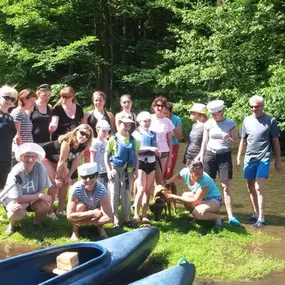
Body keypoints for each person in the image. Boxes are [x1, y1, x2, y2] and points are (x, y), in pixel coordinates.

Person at [237, 95, 282, 227]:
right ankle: (255, 213)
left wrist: (278, 160)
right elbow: (243, 140)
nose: (253, 109)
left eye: (256, 107)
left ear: (262, 106)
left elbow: (275, 141)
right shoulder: (246, 120)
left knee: (258, 186)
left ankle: (261, 218)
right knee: (250, 186)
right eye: (251, 107)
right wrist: (239, 157)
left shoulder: (270, 120)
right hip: (249, 158)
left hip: (264, 157)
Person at [197, 100, 240, 226]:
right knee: (207, 184)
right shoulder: (209, 123)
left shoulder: (230, 123)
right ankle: (205, 210)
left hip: (224, 155)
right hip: (210, 155)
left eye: (215, 114)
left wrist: (230, 139)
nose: (213, 116)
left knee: (226, 186)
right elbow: (204, 141)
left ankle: (231, 216)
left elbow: (237, 142)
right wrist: (201, 155)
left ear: (222, 111)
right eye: (212, 114)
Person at [43, 124, 93, 219]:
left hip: (57, 160)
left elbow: (76, 161)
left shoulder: (83, 145)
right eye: (82, 133)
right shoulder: (67, 142)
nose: (84, 137)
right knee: (54, 183)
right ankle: (49, 212)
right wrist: (57, 178)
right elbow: (62, 161)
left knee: (67, 182)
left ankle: (60, 209)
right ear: (76, 131)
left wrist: (68, 176)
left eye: (87, 136)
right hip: (46, 157)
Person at [2, 143, 52, 235]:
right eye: (27, 156)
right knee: (16, 211)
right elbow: (17, 199)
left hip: (30, 198)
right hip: (13, 198)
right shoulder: (16, 172)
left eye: (33, 156)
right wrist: (38, 196)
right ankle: (13, 225)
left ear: (37, 157)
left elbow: (42, 191)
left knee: (45, 204)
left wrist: (33, 199)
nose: (31, 159)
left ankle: (37, 223)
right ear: (21, 157)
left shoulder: (40, 167)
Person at [165, 161, 223, 230]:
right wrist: (169, 181)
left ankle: (217, 218)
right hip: (202, 198)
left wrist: (175, 197)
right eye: (197, 173)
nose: (200, 175)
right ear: (190, 172)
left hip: (214, 200)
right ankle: (197, 217)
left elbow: (196, 200)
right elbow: (178, 176)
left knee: (197, 213)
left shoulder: (205, 180)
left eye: (201, 172)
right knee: (185, 196)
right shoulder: (185, 172)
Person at [104, 113, 139, 228]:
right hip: (115, 170)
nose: (127, 126)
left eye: (129, 124)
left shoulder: (133, 139)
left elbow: (136, 155)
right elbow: (106, 155)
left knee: (127, 195)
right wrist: (109, 170)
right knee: (114, 195)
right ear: (119, 124)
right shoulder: (113, 139)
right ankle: (115, 219)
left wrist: (136, 170)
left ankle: (127, 218)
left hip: (128, 171)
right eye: (125, 124)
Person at [67, 162, 112, 240]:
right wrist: (91, 213)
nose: (88, 180)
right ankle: (75, 231)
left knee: (102, 211)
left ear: (97, 176)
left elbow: (109, 218)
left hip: (95, 212)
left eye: (91, 177)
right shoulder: (75, 189)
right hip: (85, 210)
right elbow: (69, 216)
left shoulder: (102, 190)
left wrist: (87, 221)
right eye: (84, 177)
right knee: (79, 206)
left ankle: (100, 227)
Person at [132, 111, 160, 223]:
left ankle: (144, 215)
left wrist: (157, 152)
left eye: (149, 121)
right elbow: (136, 149)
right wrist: (150, 148)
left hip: (152, 162)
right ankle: (135, 214)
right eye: (145, 121)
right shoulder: (136, 133)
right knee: (141, 189)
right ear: (139, 122)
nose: (147, 123)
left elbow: (155, 147)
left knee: (147, 190)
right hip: (141, 163)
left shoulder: (153, 133)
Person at [150, 96, 175, 184]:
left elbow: (170, 141)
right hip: (149, 152)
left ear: (165, 108)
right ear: (154, 106)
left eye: (162, 106)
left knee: (159, 179)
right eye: (158, 105)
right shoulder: (148, 118)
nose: (160, 108)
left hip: (163, 152)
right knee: (147, 179)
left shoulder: (168, 122)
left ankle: (157, 197)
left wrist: (170, 159)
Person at [11, 89, 37, 164]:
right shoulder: (17, 113)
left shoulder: (23, 113)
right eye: (32, 101)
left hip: (27, 150)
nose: (33, 104)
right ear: (24, 100)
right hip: (20, 151)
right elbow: (17, 135)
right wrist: (23, 152)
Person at [0, 86, 18, 192]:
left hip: (6, 157)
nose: (9, 101)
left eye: (12, 99)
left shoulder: (10, 117)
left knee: (2, 186)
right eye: (6, 97)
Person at [90, 120, 111, 188]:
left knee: (106, 188)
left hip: (106, 169)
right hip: (98, 170)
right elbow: (92, 157)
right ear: (97, 130)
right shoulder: (94, 143)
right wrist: (93, 169)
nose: (106, 133)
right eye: (103, 131)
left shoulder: (108, 143)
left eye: (107, 131)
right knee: (99, 188)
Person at [164, 102, 182, 180]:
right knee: (159, 169)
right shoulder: (158, 118)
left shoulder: (176, 119)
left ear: (170, 112)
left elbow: (179, 137)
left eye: (166, 113)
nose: (164, 115)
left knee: (169, 169)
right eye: (162, 113)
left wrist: (170, 124)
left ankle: (167, 185)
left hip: (173, 145)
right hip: (161, 146)